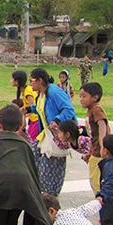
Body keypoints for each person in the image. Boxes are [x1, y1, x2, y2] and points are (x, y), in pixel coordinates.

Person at [26, 68, 77, 196]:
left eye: (32, 81)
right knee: (33, 158)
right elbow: (41, 109)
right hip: (45, 134)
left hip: (56, 136)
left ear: (40, 80)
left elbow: (69, 110)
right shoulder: (41, 94)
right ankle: (40, 190)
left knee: (51, 166)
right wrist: (28, 109)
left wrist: (57, 119)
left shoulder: (54, 92)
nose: (30, 84)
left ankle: (50, 195)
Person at [80, 82, 110, 193]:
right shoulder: (90, 110)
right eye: (80, 96)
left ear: (95, 97)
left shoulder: (96, 109)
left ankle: (103, 202)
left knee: (96, 181)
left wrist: (103, 145)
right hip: (95, 151)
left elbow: (102, 124)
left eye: (84, 96)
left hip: (99, 152)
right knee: (95, 180)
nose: (81, 99)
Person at [11, 70, 38, 141]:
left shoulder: (27, 92)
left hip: (36, 119)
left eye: (12, 78)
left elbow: (33, 107)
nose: (11, 80)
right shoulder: (25, 90)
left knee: (32, 140)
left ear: (17, 81)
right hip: (33, 120)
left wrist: (24, 114)